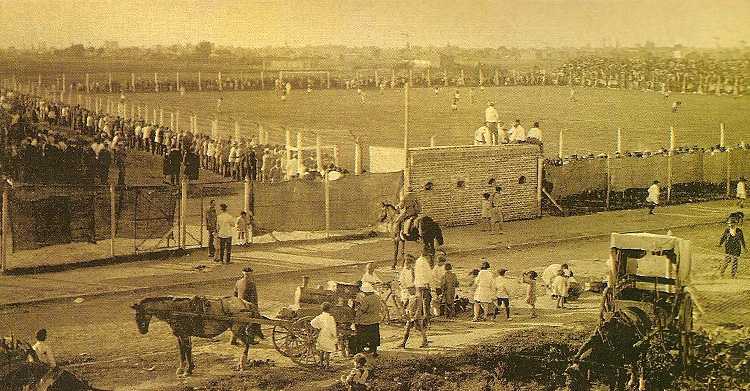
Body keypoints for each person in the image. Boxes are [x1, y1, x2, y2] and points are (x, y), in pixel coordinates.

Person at [232, 267, 262, 344]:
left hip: (238, 305)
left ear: (243, 273)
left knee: (235, 321)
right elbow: (254, 299)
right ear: (251, 274)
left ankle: (233, 340)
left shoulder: (238, 282)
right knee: (256, 320)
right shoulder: (252, 284)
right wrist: (256, 310)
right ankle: (251, 339)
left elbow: (234, 295)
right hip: (247, 306)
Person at [354, 283, 382, 358]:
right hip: (375, 319)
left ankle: (361, 348)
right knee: (374, 336)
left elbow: (363, 310)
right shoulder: (377, 297)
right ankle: (374, 350)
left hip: (366, 321)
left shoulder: (366, 299)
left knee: (361, 334)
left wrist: (357, 313)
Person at [310, 302, 337, 369]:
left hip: (322, 333)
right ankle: (327, 365)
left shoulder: (320, 316)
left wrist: (319, 327)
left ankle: (321, 364)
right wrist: (334, 335)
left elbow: (312, 322)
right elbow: (332, 327)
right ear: (330, 309)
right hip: (328, 334)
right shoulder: (330, 318)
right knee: (327, 351)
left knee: (322, 349)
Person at [413, 252, 433, 319]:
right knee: (425, 299)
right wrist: (426, 282)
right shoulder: (422, 262)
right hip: (422, 283)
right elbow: (422, 274)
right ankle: (425, 314)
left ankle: (424, 313)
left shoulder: (421, 261)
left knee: (424, 299)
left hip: (420, 283)